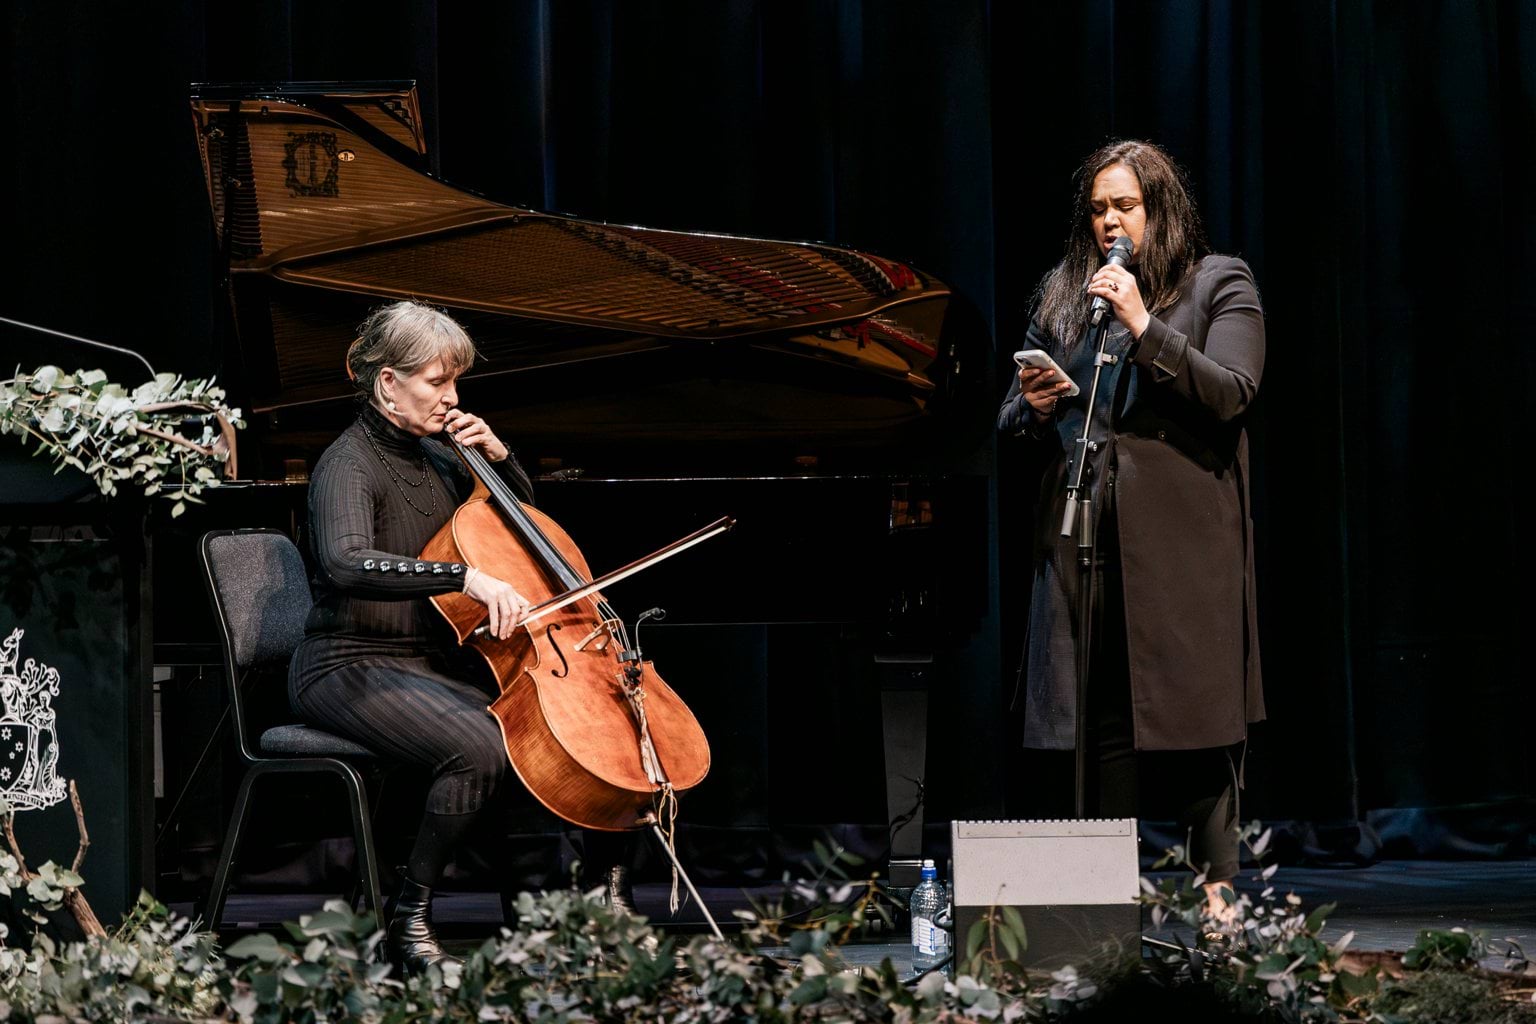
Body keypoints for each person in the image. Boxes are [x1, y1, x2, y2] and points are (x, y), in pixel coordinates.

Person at [289, 300, 636, 975]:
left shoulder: (445, 458)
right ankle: (408, 918)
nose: (451, 399)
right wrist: (462, 576)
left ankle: (548, 910)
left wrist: (499, 460)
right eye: (436, 382)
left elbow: (518, 531)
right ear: (389, 383)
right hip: (344, 663)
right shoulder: (347, 464)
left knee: (561, 733)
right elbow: (344, 562)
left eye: (454, 383)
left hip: (427, 662)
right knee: (481, 747)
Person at [998, 140, 1265, 920]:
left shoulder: (1219, 283)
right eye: (1099, 208)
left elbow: (1231, 393)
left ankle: (1216, 895)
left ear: (1160, 208)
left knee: (1197, 719)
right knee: (1100, 719)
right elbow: (1012, 416)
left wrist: (1145, 323)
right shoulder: (1070, 300)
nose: (1110, 221)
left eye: (1126, 206)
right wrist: (1035, 402)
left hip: (1182, 552)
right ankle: (1104, 902)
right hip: (1085, 545)